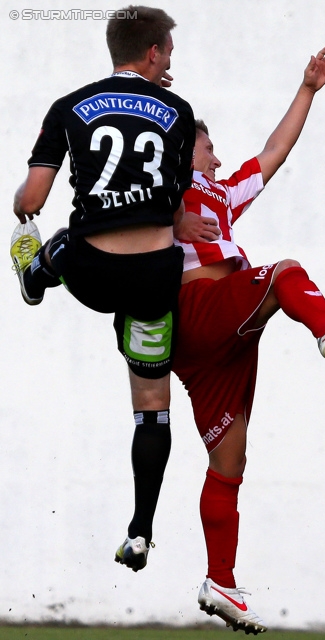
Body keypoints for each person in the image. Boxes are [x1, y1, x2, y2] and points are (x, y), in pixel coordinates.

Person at [171, 47, 325, 634]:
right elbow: (122, 218)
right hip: (200, 311)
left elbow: (272, 153)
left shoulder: (222, 196)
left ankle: (220, 581)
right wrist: (171, 221)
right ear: (182, 149)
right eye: (208, 147)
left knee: (229, 460)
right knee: (283, 272)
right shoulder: (164, 187)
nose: (217, 158)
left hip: (221, 345)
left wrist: (308, 90)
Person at [10, 6, 196, 572]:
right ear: (153, 53)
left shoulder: (68, 106)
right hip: (154, 278)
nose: (172, 59)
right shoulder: (181, 113)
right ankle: (140, 532)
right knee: (151, 406)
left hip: (91, 269)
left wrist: (21, 208)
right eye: (169, 50)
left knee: (57, 240)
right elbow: (177, 204)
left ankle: (34, 274)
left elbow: (32, 199)